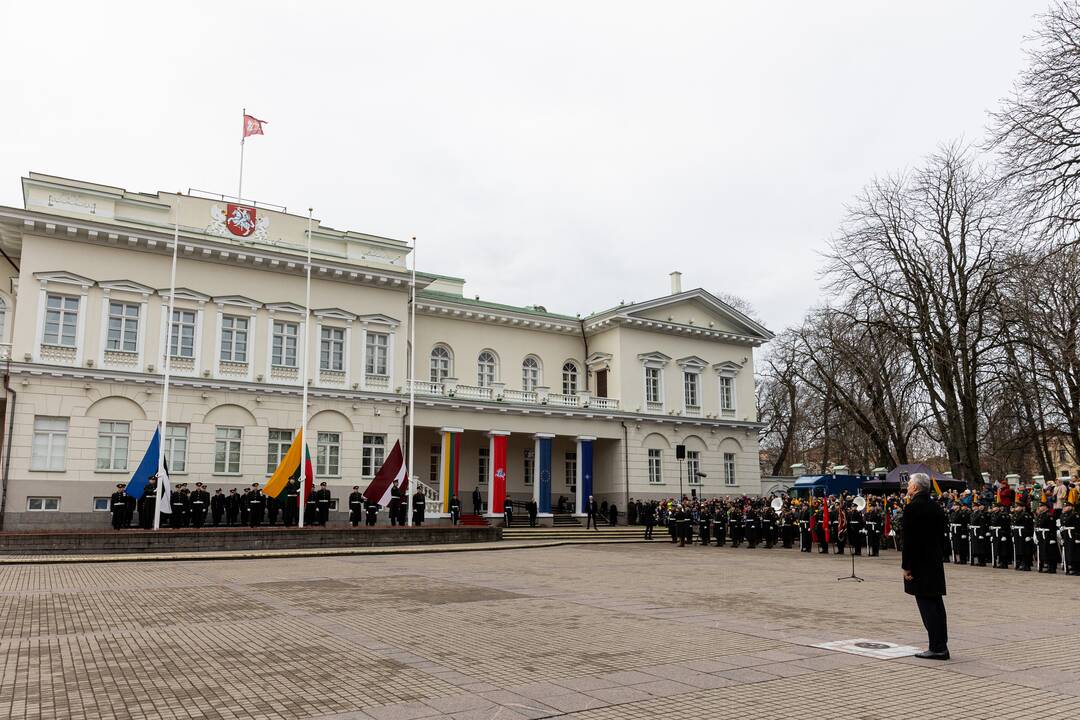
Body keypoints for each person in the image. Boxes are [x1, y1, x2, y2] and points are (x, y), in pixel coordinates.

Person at [901, 473, 949, 660]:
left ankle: (937, 648)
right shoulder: (936, 507)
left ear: (915, 488)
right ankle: (940, 644)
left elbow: (910, 541)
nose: (907, 488)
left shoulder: (912, 508)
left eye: (909, 485)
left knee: (928, 608)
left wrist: (907, 566)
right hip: (934, 562)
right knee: (936, 606)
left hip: (920, 564)